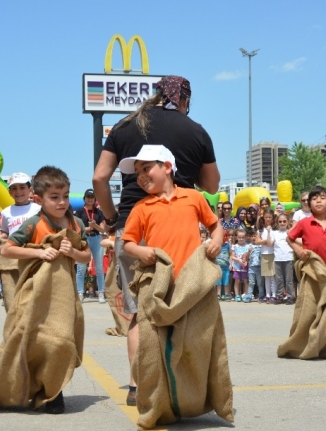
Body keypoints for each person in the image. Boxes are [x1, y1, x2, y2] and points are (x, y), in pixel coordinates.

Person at [92, 75, 219, 407]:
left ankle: (138, 385)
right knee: (186, 308)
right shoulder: (195, 130)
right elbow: (213, 184)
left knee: (139, 312)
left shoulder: (125, 126)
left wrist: (111, 217)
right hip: (181, 228)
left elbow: (99, 177)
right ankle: (184, 383)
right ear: (185, 100)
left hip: (133, 229)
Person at [117, 145, 222, 406]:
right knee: (153, 337)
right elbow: (127, 242)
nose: (140, 176)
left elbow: (214, 224)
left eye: (146, 168)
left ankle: (188, 396)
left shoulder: (193, 198)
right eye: (137, 173)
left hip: (191, 282)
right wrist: (141, 251)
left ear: (167, 167)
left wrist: (216, 240)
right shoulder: (142, 207)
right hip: (159, 283)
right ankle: (144, 386)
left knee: (191, 339)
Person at [1, 165, 91, 414]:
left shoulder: (77, 223)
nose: (62, 202)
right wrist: (39, 251)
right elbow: (7, 249)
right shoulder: (33, 224)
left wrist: (72, 252)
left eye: (65, 195)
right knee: (39, 342)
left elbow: (86, 257)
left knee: (62, 341)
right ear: (39, 199)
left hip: (65, 296)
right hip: (36, 293)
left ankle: (53, 390)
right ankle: (45, 392)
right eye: (54, 197)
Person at [286, 185, 326, 266]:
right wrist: (298, 250)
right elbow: (289, 238)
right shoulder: (303, 223)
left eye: (322, 198)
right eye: (314, 199)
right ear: (309, 206)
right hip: (310, 269)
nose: (318, 201)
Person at [74, 188, 106, 303]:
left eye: (92, 197)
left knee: (99, 267)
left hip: (97, 238)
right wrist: (88, 228)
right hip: (84, 239)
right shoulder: (79, 212)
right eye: (88, 197)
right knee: (81, 268)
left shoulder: (99, 212)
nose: (90, 199)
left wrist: (95, 226)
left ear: (95, 199)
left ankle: (101, 292)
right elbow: (77, 229)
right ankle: (80, 293)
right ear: (84, 198)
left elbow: (102, 229)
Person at [271, 213, 295, 304]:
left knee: (289, 279)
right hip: (278, 258)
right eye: (280, 221)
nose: (282, 223)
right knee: (279, 279)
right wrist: (269, 232)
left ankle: (289, 296)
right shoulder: (274, 233)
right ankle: (279, 296)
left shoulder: (290, 232)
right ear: (277, 223)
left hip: (288, 258)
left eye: (284, 221)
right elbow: (270, 243)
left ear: (288, 222)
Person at [230, 227, 251, 302]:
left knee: (245, 281)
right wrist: (238, 260)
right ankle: (237, 295)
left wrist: (246, 261)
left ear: (245, 237)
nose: (241, 239)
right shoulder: (234, 246)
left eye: (243, 237)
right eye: (239, 237)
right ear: (236, 237)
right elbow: (232, 256)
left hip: (245, 267)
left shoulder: (248, 246)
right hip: (236, 266)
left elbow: (249, 257)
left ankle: (245, 294)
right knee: (237, 281)